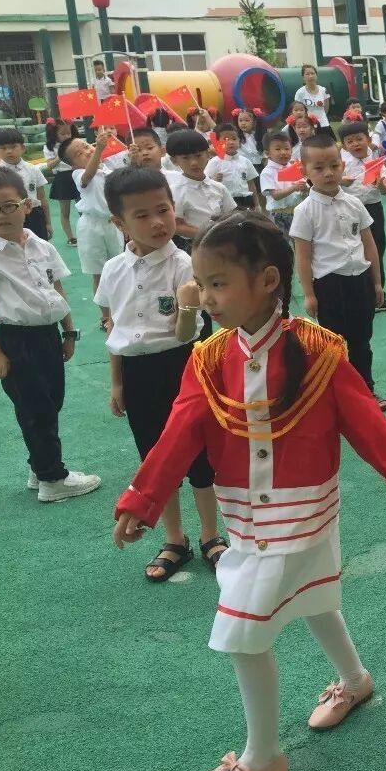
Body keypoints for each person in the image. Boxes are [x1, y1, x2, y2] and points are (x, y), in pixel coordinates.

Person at [112, 210, 386, 771]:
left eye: (217, 283)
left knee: (242, 635)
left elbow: (362, 417)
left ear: (267, 281)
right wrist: (144, 497)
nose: (205, 297)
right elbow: (178, 433)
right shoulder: (209, 359)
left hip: (302, 512)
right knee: (314, 597)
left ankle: (262, 759)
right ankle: (355, 680)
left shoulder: (319, 351)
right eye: (201, 284)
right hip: (245, 517)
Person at [95, 167, 221, 581]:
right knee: (154, 456)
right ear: (119, 223)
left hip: (182, 367)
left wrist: (188, 305)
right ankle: (174, 539)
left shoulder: (185, 264)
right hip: (136, 373)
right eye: (142, 215)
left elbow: (186, 334)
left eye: (163, 210)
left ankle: (210, 535)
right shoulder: (113, 269)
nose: (157, 222)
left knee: (199, 456)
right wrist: (117, 382)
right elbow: (115, 330)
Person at [0, 166, 101, 502]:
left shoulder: (41, 245)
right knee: (35, 408)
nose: (0, 215)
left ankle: (39, 466)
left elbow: (56, 288)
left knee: (52, 401)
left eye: (8, 206)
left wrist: (69, 332)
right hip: (17, 340)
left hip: (49, 336)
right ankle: (53, 479)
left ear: (27, 205)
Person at [290, 133, 386, 410]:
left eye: (334, 165)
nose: (328, 173)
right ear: (304, 171)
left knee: (362, 340)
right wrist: (309, 294)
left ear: (342, 165)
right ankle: (338, 395)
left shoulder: (354, 203)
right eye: (319, 168)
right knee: (333, 344)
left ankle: (366, 389)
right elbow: (303, 255)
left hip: (360, 281)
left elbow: (369, 245)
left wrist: (377, 283)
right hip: (329, 285)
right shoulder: (305, 210)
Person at [61, 131, 126, 324]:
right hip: (91, 227)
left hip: (113, 223)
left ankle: (120, 310)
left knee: (119, 268)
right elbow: (87, 175)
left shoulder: (107, 169)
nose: (87, 151)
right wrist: (98, 149)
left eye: (86, 146)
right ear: (73, 165)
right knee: (99, 273)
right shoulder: (78, 174)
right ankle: (105, 316)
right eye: (79, 153)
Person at [338, 120, 386, 312]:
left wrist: (380, 184)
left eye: (359, 139)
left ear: (368, 140)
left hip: (373, 209)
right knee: (353, 251)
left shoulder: (376, 162)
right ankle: (358, 296)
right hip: (350, 211)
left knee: (377, 250)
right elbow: (331, 183)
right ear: (344, 145)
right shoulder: (341, 163)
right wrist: (341, 181)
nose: (355, 144)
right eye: (350, 141)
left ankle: (378, 296)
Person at [166, 129, 239, 249]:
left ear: (208, 154)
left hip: (223, 241)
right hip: (195, 245)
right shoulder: (175, 191)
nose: (194, 163)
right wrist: (208, 233)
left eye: (198, 156)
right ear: (174, 160)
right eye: (185, 158)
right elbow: (177, 225)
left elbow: (232, 214)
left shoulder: (219, 187)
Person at [0, 128, 50, 240]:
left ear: (23, 148)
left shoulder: (33, 169)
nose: (9, 151)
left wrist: (48, 223)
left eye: (13, 146)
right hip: (9, 215)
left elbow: (42, 198)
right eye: (3, 148)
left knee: (38, 244)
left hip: (35, 215)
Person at [258, 131, 307, 235]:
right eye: (278, 149)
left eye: (287, 149)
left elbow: (302, 192)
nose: (283, 152)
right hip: (279, 214)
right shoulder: (267, 172)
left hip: (297, 211)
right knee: (282, 241)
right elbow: (275, 195)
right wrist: (294, 188)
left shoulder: (292, 167)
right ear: (267, 153)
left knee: (300, 238)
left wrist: (304, 189)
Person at [205, 123, 261, 211]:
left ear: (239, 140)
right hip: (225, 201)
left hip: (245, 201)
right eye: (225, 139)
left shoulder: (245, 161)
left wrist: (257, 205)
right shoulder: (214, 162)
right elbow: (206, 182)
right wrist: (214, 180)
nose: (231, 142)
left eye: (234, 139)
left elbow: (251, 184)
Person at [45, 119, 78, 245]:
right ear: (54, 134)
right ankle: (70, 237)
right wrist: (60, 155)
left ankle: (86, 234)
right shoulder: (50, 147)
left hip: (76, 175)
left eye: (68, 133)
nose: (67, 136)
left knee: (83, 207)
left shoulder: (75, 143)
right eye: (63, 134)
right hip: (62, 178)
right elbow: (50, 165)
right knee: (65, 211)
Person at [293, 65, 331, 129]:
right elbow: (297, 110)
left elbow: (326, 108)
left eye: (312, 73)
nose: (310, 76)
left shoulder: (323, 90)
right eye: (307, 74)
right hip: (307, 126)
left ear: (316, 75)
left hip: (323, 124)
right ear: (303, 77)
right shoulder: (300, 92)